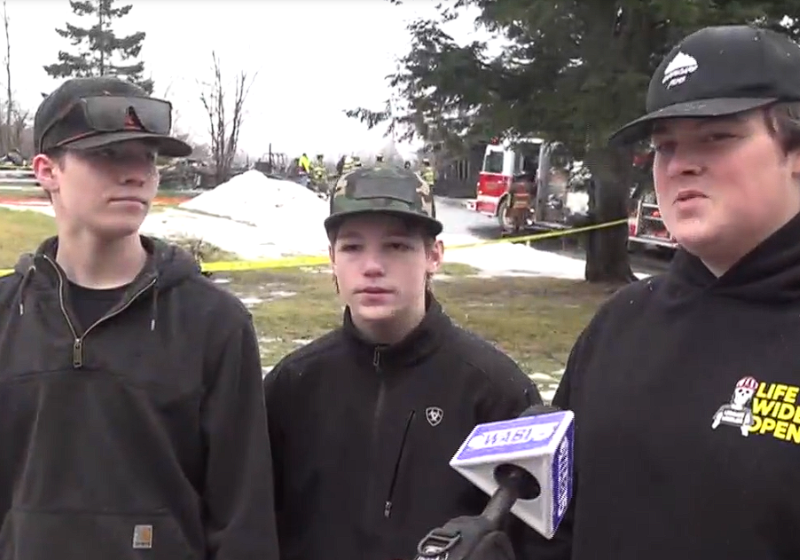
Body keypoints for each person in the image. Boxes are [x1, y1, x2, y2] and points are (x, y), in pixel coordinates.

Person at [531, 25, 800, 560]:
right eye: (665, 146)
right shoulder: (620, 324)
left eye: (717, 136)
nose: (680, 165)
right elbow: (559, 520)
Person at [0, 76, 279, 559]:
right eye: (108, 155)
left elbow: (243, 520)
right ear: (48, 171)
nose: (136, 174)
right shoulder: (7, 315)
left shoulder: (215, 323)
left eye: (147, 157)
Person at [263, 165, 543, 560]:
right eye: (352, 247)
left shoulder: (496, 393)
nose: (372, 266)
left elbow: (535, 539)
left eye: (396, 246)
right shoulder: (292, 386)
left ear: (434, 256)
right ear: (332, 259)